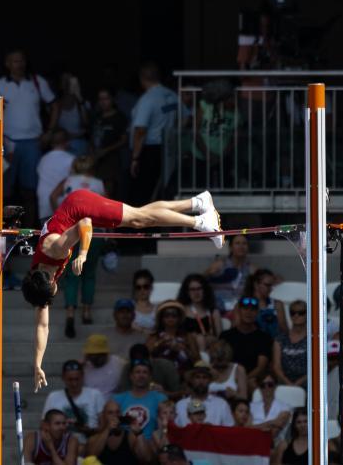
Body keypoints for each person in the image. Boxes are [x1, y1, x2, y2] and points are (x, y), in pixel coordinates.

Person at [24, 188, 221, 390]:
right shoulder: (39, 279)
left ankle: (201, 222)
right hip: (75, 210)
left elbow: (85, 223)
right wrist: (38, 364)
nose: (55, 296)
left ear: (50, 282)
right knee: (141, 216)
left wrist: (82, 254)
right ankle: (198, 203)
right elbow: (42, 326)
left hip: (81, 206)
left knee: (139, 219)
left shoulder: (55, 249)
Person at [0, 49, 58, 223]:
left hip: (32, 143)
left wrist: (49, 131)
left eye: (21, 61)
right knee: (5, 191)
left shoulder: (37, 82)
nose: (19, 64)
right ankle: (8, 234)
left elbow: (55, 105)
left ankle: (31, 234)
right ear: (7, 64)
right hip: (7, 142)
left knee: (31, 190)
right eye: (14, 61)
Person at [50, 155, 106, 336]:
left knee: (72, 275)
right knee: (89, 273)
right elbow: (106, 207)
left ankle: (70, 312)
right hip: (94, 232)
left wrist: (59, 214)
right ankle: (87, 310)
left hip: (71, 231)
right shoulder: (98, 183)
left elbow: (53, 196)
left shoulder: (67, 181)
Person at [128, 61, 181, 205]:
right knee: (162, 191)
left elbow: (140, 130)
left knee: (145, 192)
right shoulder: (172, 95)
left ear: (142, 78)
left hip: (149, 151)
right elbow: (186, 117)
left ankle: (145, 226)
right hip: (168, 149)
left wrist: (135, 158)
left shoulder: (148, 99)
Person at [41, 360, 105, 446]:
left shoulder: (95, 395)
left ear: (83, 376)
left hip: (89, 444)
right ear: (63, 378)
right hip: (61, 446)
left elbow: (104, 425)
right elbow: (44, 426)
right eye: (70, 380)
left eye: (77, 379)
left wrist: (90, 431)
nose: (74, 383)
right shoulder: (53, 397)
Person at [219, 296, 274, 387]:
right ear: (239, 311)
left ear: (257, 313)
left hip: (251, 379)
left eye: (252, 310)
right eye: (245, 309)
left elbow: (260, 367)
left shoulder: (264, 338)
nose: (249, 312)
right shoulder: (226, 336)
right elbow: (220, 361)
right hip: (228, 379)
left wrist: (242, 381)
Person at [111, 357, 168, 438]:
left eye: (145, 372)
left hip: (150, 446)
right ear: (131, 376)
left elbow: (166, 426)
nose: (141, 375)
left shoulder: (160, 398)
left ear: (150, 377)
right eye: (137, 372)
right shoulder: (117, 399)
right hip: (123, 446)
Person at [89, 86, 128, 198]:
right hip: (95, 159)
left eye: (106, 99)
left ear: (112, 99)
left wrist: (106, 150)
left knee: (107, 192)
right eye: (100, 99)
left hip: (111, 159)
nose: (103, 102)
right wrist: (92, 152)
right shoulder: (96, 117)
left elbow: (124, 140)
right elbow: (91, 136)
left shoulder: (119, 118)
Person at [85, 399, 151, 464]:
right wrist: (107, 430)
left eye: (117, 412)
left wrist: (139, 433)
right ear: (104, 416)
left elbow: (147, 459)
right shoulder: (94, 438)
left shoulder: (130, 436)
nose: (115, 416)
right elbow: (91, 458)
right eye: (110, 413)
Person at [146, 300, 199, 375]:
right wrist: (160, 344)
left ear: (179, 318)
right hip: (160, 373)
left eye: (174, 315)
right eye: (166, 315)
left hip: (185, 374)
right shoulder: (154, 336)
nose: (170, 318)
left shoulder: (188, 336)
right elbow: (147, 356)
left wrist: (183, 349)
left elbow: (197, 360)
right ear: (161, 318)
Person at [173, 361, 233, 427]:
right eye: (197, 377)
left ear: (210, 381)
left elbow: (229, 431)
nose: (201, 381)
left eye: (205, 377)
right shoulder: (180, 405)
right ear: (191, 380)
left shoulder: (221, 404)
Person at [36, 128, 75, 222]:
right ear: (67, 142)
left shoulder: (43, 159)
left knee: (47, 236)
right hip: (64, 209)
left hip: (44, 207)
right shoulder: (72, 160)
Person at [178, 273, 222, 353]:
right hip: (188, 350)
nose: (196, 293)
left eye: (199, 288)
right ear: (187, 292)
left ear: (205, 290)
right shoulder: (181, 311)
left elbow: (220, 338)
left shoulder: (213, 312)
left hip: (210, 350)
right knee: (199, 338)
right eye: (192, 289)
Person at [273, 300, 308, 387]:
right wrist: (289, 384)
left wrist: (298, 383)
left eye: (301, 312)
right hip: (284, 382)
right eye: (293, 312)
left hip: (307, 383)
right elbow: (277, 366)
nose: (296, 315)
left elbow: (316, 367)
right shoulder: (280, 339)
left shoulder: (313, 339)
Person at [243, 269, 287, 337]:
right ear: (256, 285)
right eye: (267, 285)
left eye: (272, 286)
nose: (270, 289)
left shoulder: (277, 304)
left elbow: (284, 330)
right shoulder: (244, 303)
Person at [81, 335, 123, 402]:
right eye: (91, 355)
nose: (93, 358)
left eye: (97, 356)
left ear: (105, 353)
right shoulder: (83, 367)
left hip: (113, 406)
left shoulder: (119, 363)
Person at [250, 374, 291, 438]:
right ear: (259, 388)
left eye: (270, 384)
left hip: (274, 444)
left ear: (275, 386)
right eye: (262, 385)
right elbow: (246, 429)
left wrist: (255, 427)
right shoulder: (251, 406)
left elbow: (274, 433)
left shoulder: (285, 407)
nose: (266, 387)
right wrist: (271, 423)